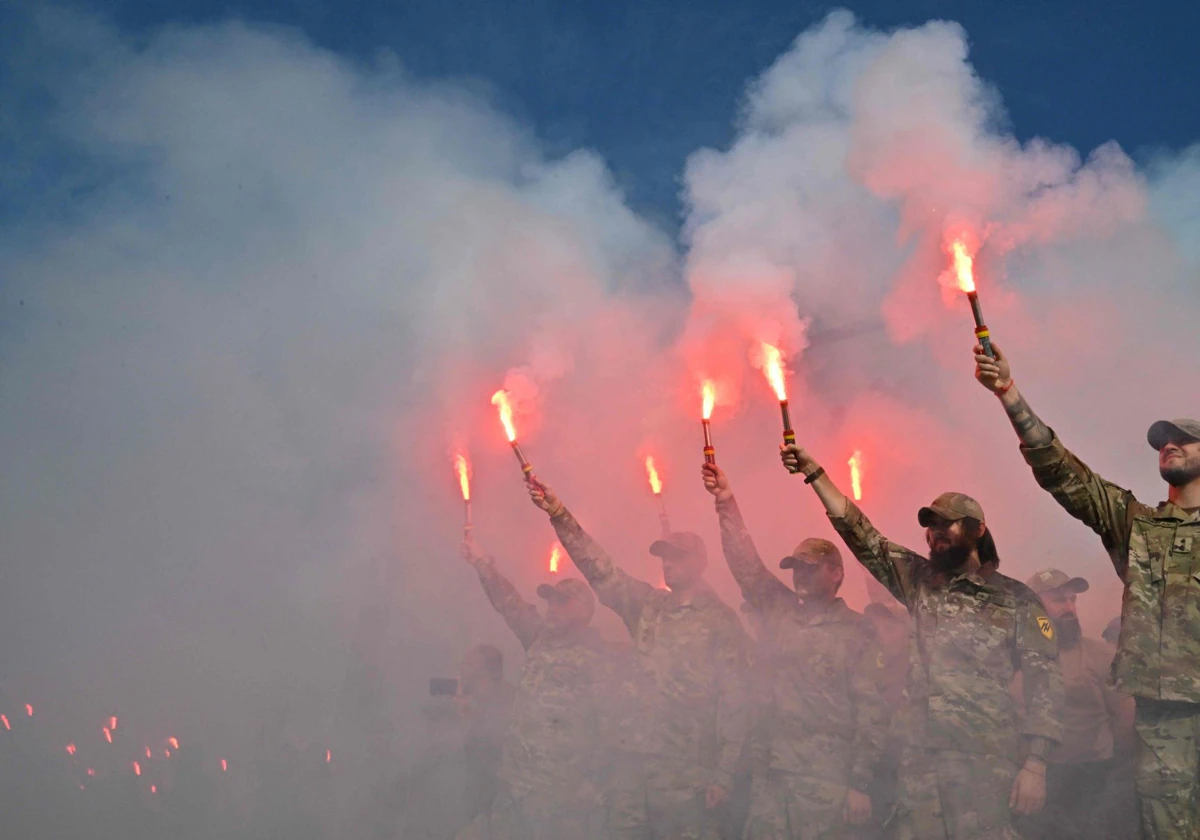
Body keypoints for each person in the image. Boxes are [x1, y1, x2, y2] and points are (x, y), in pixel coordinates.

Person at [779, 443, 1063, 839]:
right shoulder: (920, 583)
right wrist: (816, 475)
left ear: (979, 529)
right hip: (919, 766)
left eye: (948, 523)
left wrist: (1036, 765)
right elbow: (863, 537)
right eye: (931, 526)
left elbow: (1045, 685)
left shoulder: (1016, 600)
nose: (937, 532)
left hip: (984, 765)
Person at [974, 343, 1200, 838]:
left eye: (1187, 438)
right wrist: (1009, 394)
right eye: (1164, 440)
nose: (1171, 444)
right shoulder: (1139, 526)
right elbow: (1062, 472)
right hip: (1164, 725)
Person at [527, 478, 749, 840]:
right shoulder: (647, 606)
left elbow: (736, 699)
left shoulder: (719, 621)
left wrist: (724, 774)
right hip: (631, 761)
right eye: (664, 557)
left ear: (700, 563)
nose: (668, 563)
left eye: (677, 556)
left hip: (684, 769)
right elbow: (602, 570)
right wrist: (558, 514)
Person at [701, 462, 887, 839]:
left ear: (836, 574)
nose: (798, 575)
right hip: (771, 778)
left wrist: (860, 784)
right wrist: (726, 503)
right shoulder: (781, 611)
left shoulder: (857, 632)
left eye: (809, 568)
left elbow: (872, 714)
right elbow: (746, 566)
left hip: (826, 783)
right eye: (795, 569)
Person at [462, 533, 611, 840]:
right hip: (516, 784)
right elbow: (509, 603)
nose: (552, 607)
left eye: (561, 602)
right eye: (550, 601)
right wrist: (481, 563)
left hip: (560, 794)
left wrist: (594, 781)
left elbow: (611, 724)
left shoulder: (599, 659)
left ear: (583, 610)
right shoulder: (539, 639)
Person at [1015, 569, 1134, 839]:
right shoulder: (1013, 656)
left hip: (1089, 783)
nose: (1069, 608)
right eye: (1058, 600)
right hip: (1027, 782)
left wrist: (1106, 769)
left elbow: (1125, 720)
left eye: (1072, 600)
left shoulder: (1100, 655)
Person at [458, 643, 516, 838]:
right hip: (481, 814)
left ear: (483, 672)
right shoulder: (481, 704)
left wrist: (485, 820)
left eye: (466, 666)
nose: (460, 672)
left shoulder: (506, 703)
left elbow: (498, 761)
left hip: (497, 817)